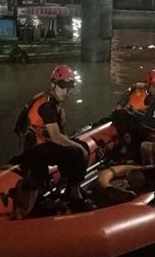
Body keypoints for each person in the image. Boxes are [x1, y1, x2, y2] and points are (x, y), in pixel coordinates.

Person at [10, 64, 96, 220]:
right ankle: (74, 194)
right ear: (53, 85)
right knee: (76, 150)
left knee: (80, 146)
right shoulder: (47, 106)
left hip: (43, 144)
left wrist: (77, 145)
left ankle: (72, 186)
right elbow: (56, 137)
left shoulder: (53, 103)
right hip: (34, 148)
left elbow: (57, 136)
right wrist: (78, 147)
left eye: (69, 87)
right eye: (63, 87)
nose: (66, 91)